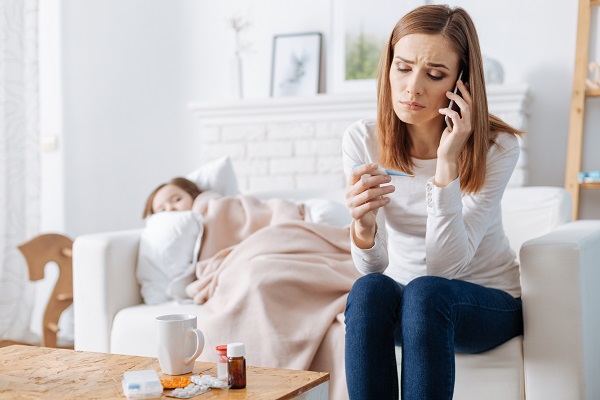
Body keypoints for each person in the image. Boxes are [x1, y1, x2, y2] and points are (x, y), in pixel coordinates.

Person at [342, 5, 523, 400]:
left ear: (463, 83)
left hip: (485, 303)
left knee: (427, 293)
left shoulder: (498, 148)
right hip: (410, 302)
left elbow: (444, 268)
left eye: (435, 74)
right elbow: (374, 266)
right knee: (368, 289)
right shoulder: (363, 140)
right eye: (403, 68)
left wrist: (446, 164)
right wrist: (363, 226)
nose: (412, 87)